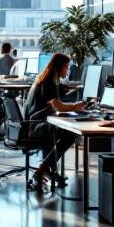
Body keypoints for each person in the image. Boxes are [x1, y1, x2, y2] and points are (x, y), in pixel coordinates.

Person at [23, 53, 86, 190]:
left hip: (33, 124)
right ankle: (41, 170)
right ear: (59, 67)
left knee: (64, 132)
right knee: (70, 134)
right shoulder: (49, 83)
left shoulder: (45, 80)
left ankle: (45, 169)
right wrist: (75, 106)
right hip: (36, 127)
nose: (67, 70)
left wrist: (72, 106)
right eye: (66, 67)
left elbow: (56, 106)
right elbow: (58, 106)